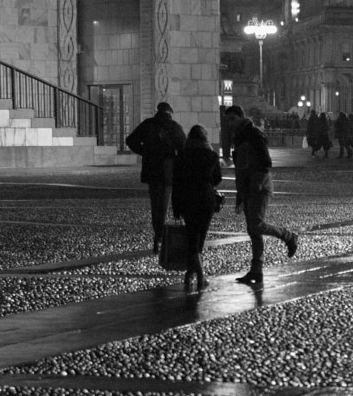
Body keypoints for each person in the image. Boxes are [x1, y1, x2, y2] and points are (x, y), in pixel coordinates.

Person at [230, 112, 298, 285]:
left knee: (256, 225)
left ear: (240, 118)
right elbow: (239, 169)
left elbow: (266, 163)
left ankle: (288, 236)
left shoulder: (254, 135)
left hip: (259, 186)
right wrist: (240, 194)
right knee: (253, 230)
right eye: (228, 119)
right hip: (247, 186)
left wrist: (257, 184)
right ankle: (256, 271)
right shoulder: (238, 137)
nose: (229, 122)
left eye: (232, 118)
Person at [125, 100, 184, 253]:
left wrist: (144, 151)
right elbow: (183, 148)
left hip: (152, 170)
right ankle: (159, 236)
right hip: (167, 170)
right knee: (163, 204)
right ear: (169, 112)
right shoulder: (174, 127)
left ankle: (158, 234)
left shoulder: (148, 124)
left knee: (155, 204)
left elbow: (130, 140)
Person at [171, 124, 223, 290]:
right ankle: (197, 275)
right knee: (200, 238)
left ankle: (194, 274)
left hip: (188, 199)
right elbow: (217, 178)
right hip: (206, 199)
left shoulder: (182, 156)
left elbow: (176, 182)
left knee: (192, 238)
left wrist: (176, 207)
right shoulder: (211, 156)